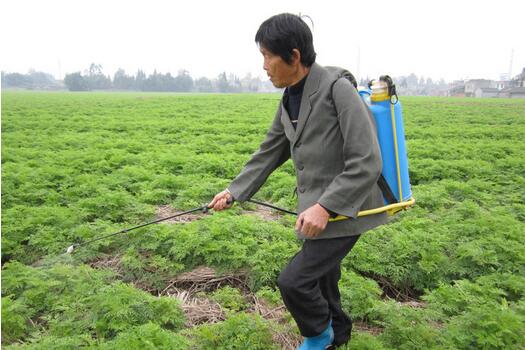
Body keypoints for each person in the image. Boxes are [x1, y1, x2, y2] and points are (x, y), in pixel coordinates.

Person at [209, 13, 387, 349]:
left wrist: (325, 206)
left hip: (347, 211)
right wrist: (234, 192)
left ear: (293, 56)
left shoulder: (338, 90)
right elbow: (269, 152)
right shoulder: (290, 96)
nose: (264, 66)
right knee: (322, 281)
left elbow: (367, 161)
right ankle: (338, 336)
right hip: (318, 213)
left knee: (294, 281)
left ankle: (318, 337)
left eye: (267, 56)